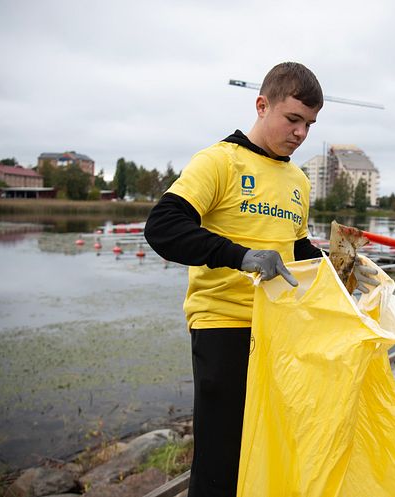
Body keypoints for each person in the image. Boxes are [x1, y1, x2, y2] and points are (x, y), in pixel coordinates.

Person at [144, 62, 377, 496]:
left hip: (282, 329)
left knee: (272, 444)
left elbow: (295, 249)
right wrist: (241, 256)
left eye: (309, 124)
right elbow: (163, 226)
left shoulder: (298, 180)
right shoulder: (220, 161)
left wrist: (338, 266)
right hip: (223, 326)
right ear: (261, 104)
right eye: (293, 119)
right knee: (221, 457)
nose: (301, 133)